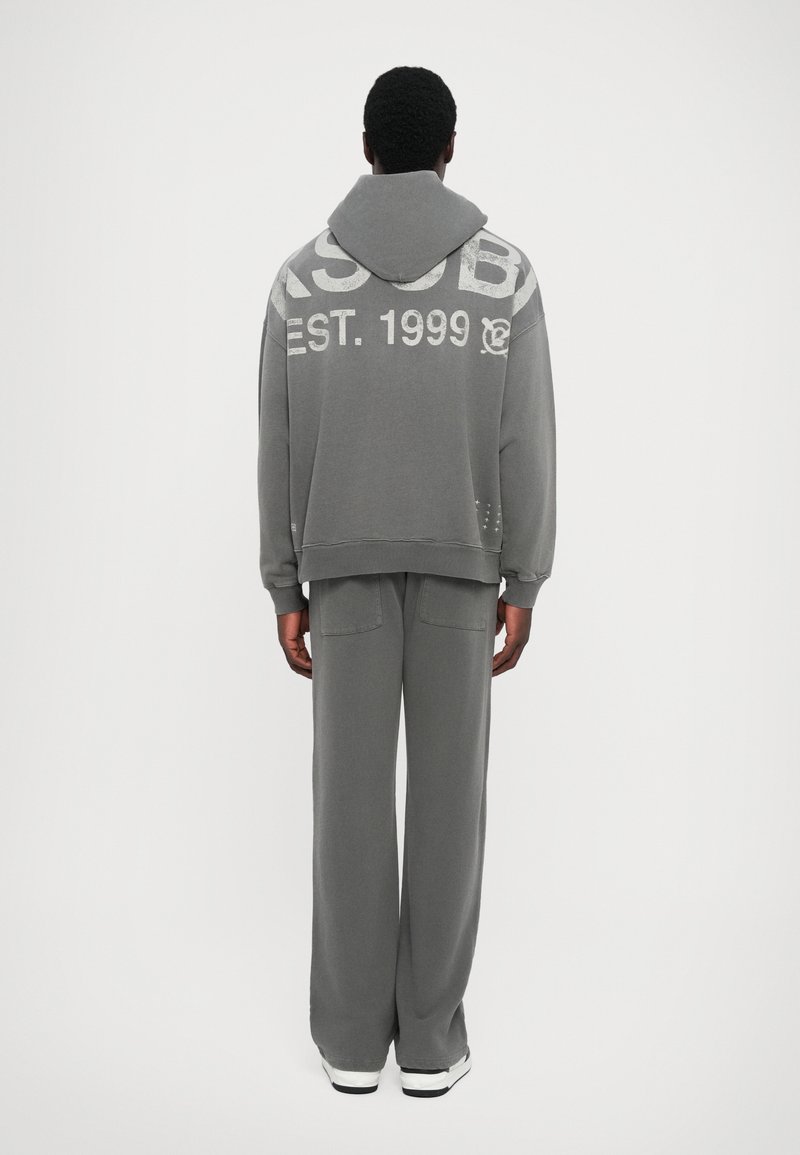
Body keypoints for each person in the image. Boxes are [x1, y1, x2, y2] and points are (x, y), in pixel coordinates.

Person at [257, 65, 556, 1097]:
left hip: (338, 570)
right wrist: (525, 573)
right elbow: (524, 437)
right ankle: (429, 1040)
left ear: (366, 147)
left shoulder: (300, 281)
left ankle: (349, 1043)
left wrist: (283, 580)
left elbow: (276, 437)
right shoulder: (504, 279)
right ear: (448, 149)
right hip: (464, 566)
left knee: (346, 802)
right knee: (447, 806)